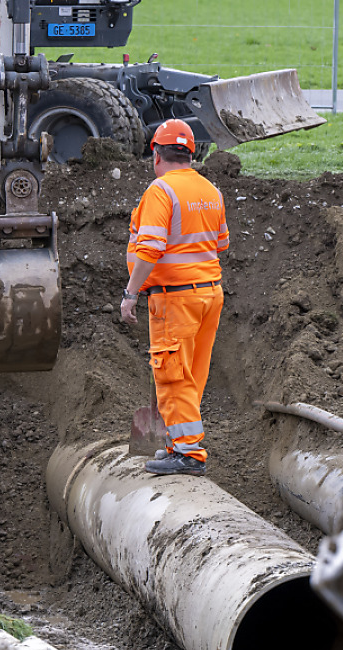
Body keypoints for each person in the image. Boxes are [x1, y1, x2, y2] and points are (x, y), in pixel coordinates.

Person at [119, 118, 229, 477]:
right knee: (192, 374)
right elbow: (222, 243)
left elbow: (149, 250)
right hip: (209, 293)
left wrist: (130, 293)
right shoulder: (211, 191)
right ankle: (180, 444)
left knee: (172, 374)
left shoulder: (160, 191)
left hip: (175, 299)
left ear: (156, 155)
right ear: (192, 155)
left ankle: (187, 453)